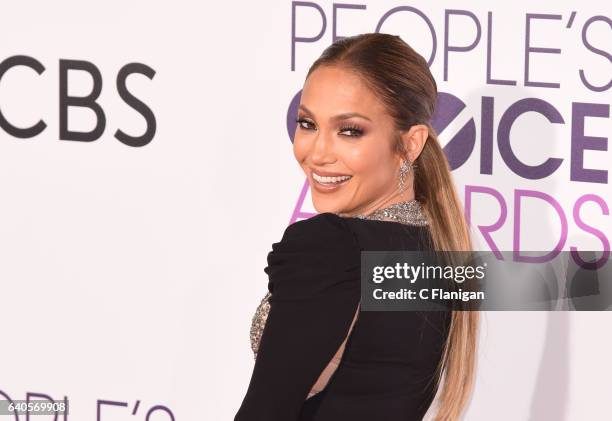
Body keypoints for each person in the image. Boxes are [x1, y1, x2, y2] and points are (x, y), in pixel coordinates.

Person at [234, 33, 479, 421]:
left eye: (350, 130)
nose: (317, 153)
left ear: (410, 144)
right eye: (307, 123)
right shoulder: (439, 252)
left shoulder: (332, 248)